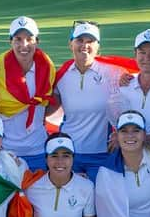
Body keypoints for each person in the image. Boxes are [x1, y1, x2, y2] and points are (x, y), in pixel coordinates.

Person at [52, 21, 122, 182]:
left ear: (98, 46)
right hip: (68, 153)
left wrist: (120, 133)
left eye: (90, 41)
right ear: (71, 44)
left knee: (100, 203)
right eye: (80, 40)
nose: (85, 45)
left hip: (102, 154)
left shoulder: (113, 74)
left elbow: (134, 97)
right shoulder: (61, 76)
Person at [0, 16, 56, 171]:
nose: (23, 45)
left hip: (38, 150)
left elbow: (53, 100)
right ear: (10, 41)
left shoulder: (48, 69)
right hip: (6, 150)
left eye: (29, 39)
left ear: (37, 41)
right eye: (18, 39)